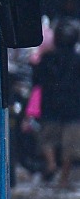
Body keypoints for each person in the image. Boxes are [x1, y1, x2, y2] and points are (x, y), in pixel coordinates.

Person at [36, 17, 80, 187]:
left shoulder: (47, 58)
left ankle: (51, 164)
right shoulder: (77, 60)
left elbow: (37, 81)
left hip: (50, 106)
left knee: (48, 140)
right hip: (74, 108)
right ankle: (63, 180)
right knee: (70, 147)